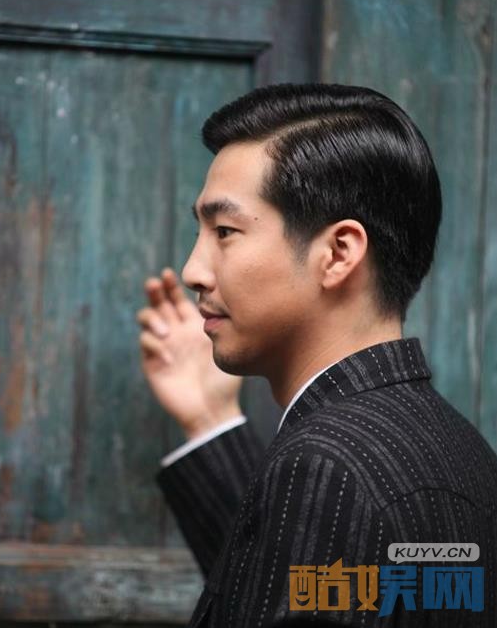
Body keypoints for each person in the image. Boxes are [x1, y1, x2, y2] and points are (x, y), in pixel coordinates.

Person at [136, 83, 497, 627]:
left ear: (337, 253)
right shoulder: (461, 449)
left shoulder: (329, 469)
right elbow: (318, 592)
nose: (193, 270)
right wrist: (209, 419)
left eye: (225, 231)